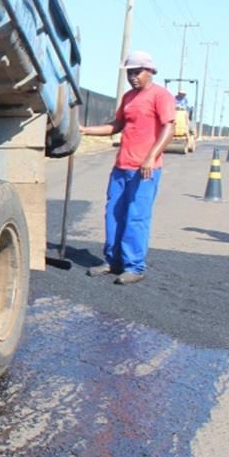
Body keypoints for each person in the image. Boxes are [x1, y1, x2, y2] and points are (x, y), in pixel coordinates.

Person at [80, 50, 176, 284]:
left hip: (144, 169)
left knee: (136, 217)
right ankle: (113, 261)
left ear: (150, 71)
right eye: (130, 73)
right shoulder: (128, 97)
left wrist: (151, 157)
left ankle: (134, 266)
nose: (133, 77)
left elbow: (169, 127)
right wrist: (85, 130)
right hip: (122, 167)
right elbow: (117, 125)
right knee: (113, 214)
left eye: (137, 72)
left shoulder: (161, 96)